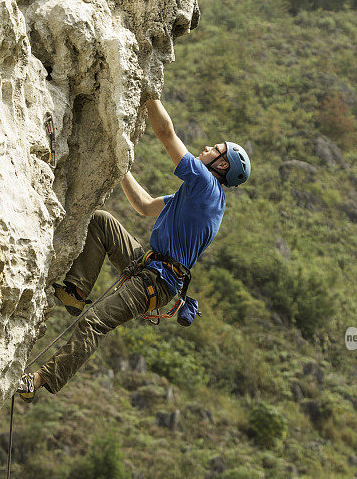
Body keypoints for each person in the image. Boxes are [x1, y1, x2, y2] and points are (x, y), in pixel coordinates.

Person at [17, 99, 251, 401]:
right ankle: (76, 292)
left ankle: (39, 380)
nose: (207, 147)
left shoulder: (205, 185)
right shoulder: (200, 196)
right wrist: (119, 168)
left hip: (156, 281)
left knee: (95, 323)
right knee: (101, 222)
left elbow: (166, 133)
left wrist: (151, 96)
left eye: (215, 148)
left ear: (221, 164)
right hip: (151, 265)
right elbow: (144, 205)